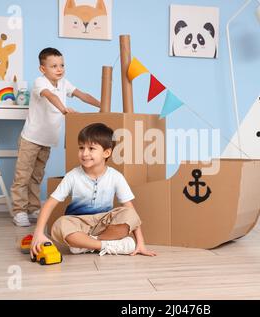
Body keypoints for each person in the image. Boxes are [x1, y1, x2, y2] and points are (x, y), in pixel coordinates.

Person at [30, 123, 157, 257]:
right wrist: (38, 233)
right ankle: (105, 246)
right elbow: (49, 204)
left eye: (91, 148)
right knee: (59, 225)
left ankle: (85, 245)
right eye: (81, 147)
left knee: (130, 214)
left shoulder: (115, 176)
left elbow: (130, 210)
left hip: (104, 224)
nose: (85, 153)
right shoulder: (72, 176)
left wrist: (140, 243)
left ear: (106, 152)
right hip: (78, 223)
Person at [11, 47, 100, 227]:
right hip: (31, 138)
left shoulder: (64, 83)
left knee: (37, 176)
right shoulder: (40, 82)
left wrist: (102, 103)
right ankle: (19, 210)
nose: (59, 69)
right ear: (43, 69)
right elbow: (49, 96)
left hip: (47, 141)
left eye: (61, 65)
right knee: (23, 176)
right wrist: (64, 109)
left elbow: (81, 94)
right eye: (54, 66)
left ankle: (33, 207)